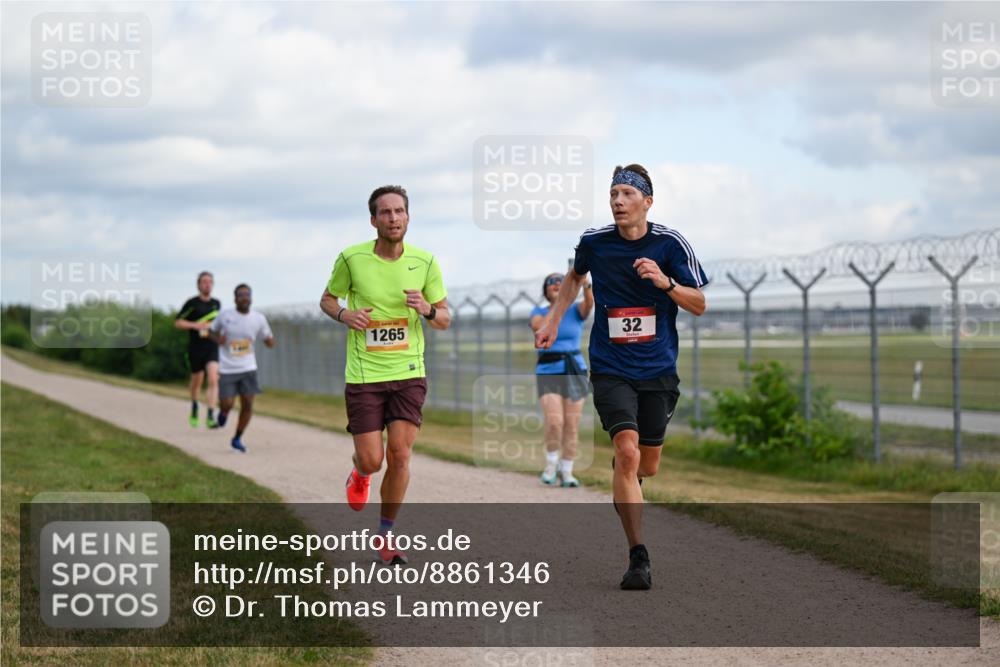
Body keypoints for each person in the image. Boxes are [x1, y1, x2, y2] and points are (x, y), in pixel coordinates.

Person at [535, 164, 708, 591]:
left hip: (658, 370)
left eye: (627, 194)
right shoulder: (595, 242)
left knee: (645, 464)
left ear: (647, 202)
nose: (618, 201)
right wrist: (554, 320)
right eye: (613, 194)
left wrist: (665, 283)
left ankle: (626, 473)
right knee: (627, 452)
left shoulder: (670, 243)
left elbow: (699, 304)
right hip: (611, 367)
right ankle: (638, 556)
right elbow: (575, 277)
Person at [320, 184, 450, 566]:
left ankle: (386, 535)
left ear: (408, 216)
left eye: (399, 211)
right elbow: (327, 299)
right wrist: (344, 315)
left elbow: (444, 318)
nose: (393, 218)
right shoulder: (352, 259)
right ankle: (360, 474)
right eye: (386, 212)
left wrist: (427, 309)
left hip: (409, 372)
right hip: (365, 375)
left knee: (400, 454)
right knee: (373, 459)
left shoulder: (425, 262)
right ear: (373, 219)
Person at [529, 271, 593, 487]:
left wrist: (585, 284)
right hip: (548, 370)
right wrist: (560, 302)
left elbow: (588, 306)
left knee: (572, 425)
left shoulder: (575, 311)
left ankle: (567, 472)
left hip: (574, 370)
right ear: (545, 290)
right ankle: (551, 465)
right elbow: (539, 327)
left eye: (561, 281)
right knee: (555, 422)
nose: (557, 284)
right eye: (552, 282)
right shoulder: (538, 312)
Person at [210, 283, 276, 453]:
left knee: (247, 404)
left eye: (247, 294)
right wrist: (218, 339)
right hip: (227, 368)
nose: (245, 298)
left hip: (248, 367)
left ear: (251, 298)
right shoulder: (225, 315)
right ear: (235, 298)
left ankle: (237, 438)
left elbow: (268, 338)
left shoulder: (258, 318)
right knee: (227, 403)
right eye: (241, 295)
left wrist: (270, 342)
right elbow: (210, 331)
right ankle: (224, 412)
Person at [175, 271, 221, 428]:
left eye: (210, 282)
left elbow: (218, 323)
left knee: (213, 378)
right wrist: (196, 325)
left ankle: (210, 415)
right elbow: (178, 322)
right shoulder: (192, 303)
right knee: (197, 381)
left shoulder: (217, 304)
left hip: (212, 346)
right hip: (195, 347)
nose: (207, 284)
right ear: (199, 285)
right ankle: (195, 405)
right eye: (204, 282)